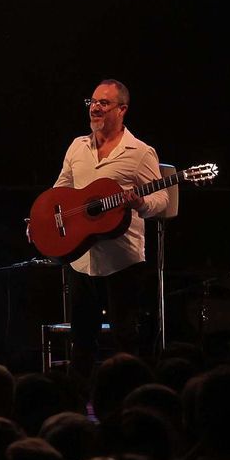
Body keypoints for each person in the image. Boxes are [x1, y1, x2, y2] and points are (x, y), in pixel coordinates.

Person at [51, 79, 169, 374]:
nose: (95, 108)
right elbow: (62, 189)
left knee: (125, 338)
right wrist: (45, 219)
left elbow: (162, 199)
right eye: (92, 102)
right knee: (81, 340)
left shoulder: (140, 152)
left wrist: (140, 204)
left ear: (122, 110)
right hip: (81, 256)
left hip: (121, 259)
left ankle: (128, 401)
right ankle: (79, 404)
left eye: (104, 103)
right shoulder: (77, 146)